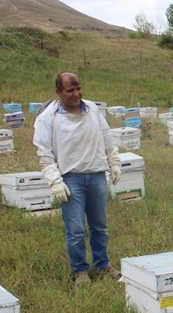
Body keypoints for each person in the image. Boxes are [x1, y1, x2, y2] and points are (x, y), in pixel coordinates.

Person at [33, 71, 122, 284]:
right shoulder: (48, 117)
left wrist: (114, 162)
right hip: (71, 178)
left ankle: (103, 264)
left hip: (97, 174)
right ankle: (80, 270)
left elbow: (107, 136)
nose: (76, 93)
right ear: (58, 92)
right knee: (75, 230)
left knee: (100, 226)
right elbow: (44, 151)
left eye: (78, 88)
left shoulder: (92, 109)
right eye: (70, 90)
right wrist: (55, 180)